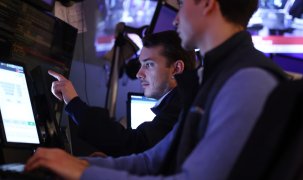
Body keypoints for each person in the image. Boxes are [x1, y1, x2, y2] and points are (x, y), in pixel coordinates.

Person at [25, 0, 287, 179]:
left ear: (207, 4)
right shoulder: (212, 77)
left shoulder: (248, 81)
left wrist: (83, 173)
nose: (176, 20)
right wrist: (77, 163)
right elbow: (151, 161)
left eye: (183, 4)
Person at [48, 30, 196, 157]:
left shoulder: (182, 109)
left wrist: (74, 103)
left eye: (149, 64)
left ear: (176, 69)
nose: (139, 74)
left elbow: (135, 145)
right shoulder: (183, 101)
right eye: (141, 64)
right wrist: (120, 162)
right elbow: (148, 157)